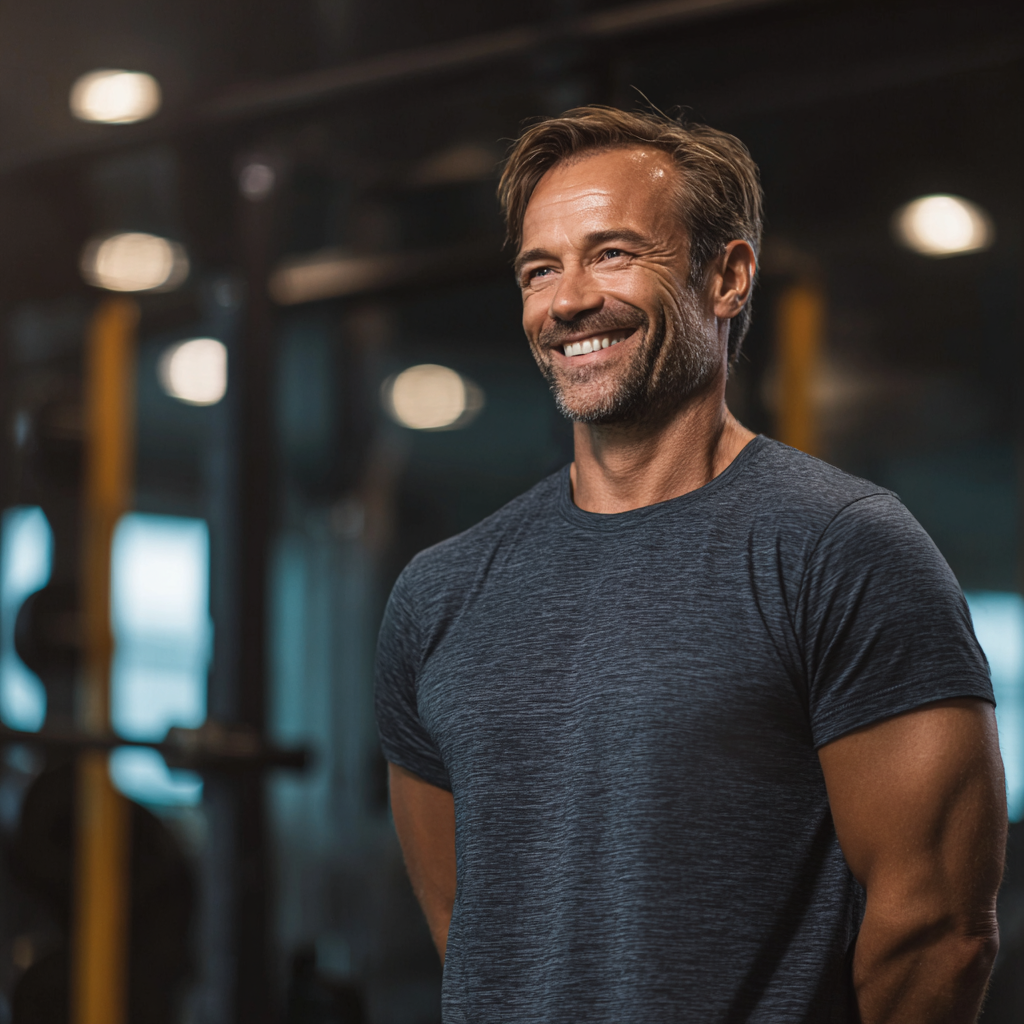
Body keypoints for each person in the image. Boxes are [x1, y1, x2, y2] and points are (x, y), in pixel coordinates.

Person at [374, 106, 1006, 1023]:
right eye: (539, 269)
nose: (568, 300)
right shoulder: (440, 595)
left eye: (614, 253)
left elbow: (939, 931)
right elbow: (477, 926)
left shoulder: (842, 550)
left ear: (728, 276)